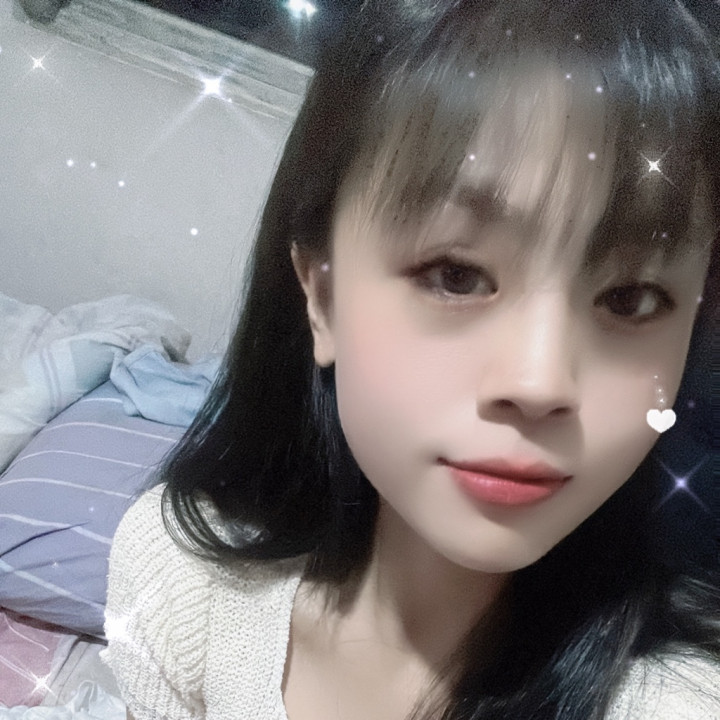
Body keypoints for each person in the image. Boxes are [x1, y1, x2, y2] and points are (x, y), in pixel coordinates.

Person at [104, 1, 720, 718]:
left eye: (630, 299)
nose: (539, 382)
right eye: (455, 275)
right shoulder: (182, 583)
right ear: (322, 297)